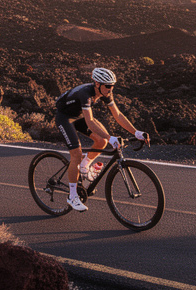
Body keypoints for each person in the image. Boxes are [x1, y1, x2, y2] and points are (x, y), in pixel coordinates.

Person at [53, 67, 148, 211]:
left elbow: (118, 115)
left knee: (102, 141)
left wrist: (136, 133)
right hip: (65, 118)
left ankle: (84, 167)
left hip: (79, 115)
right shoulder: (85, 93)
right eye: (108, 86)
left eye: (112, 86)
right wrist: (110, 138)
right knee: (76, 154)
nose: (111, 89)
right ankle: (72, 196)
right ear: (97, 84)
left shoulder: (105, 92)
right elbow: (90, 122)